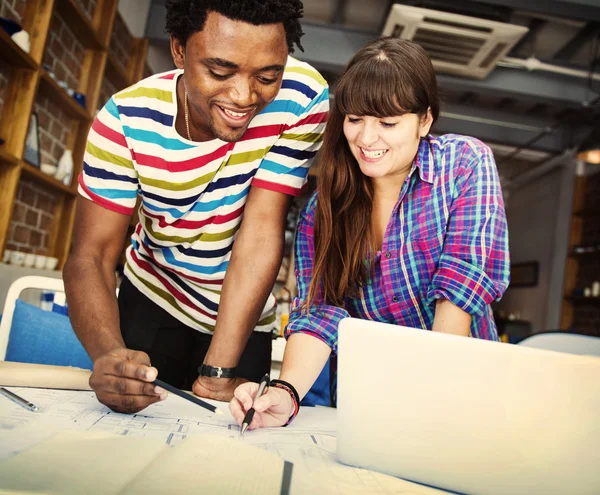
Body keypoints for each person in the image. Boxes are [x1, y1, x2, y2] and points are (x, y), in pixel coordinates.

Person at [229, 37, 510, 429]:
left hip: (457, 395)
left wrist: (437, 401)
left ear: (424, 121)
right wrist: (285, 392)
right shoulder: (322, 210)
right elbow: (319, 313)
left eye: (388, 122)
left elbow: (461, 290)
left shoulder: (463, 165)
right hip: (368, 403)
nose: (366, 138)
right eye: (355, 118)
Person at [63, 0, 328, 413]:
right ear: (179, 51)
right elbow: (90, 257)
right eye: (220, 72)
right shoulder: (125, 122)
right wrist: (110, 357)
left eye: (267, 76)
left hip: (241, 322)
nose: (244, 97)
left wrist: (218, 373)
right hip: (152, 300)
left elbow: (260, 231)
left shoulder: (302, 97)